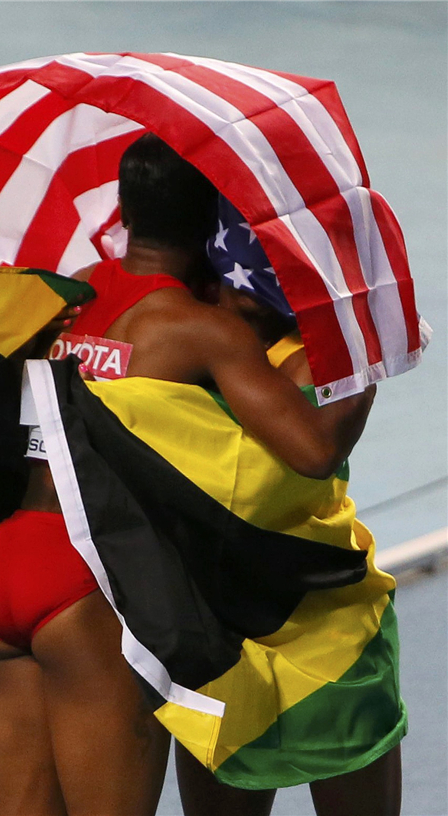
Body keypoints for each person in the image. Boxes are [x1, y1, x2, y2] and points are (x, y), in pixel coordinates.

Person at [0, 133, 387, 816]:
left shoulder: (60, 298)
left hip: (5, 569)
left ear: (124, 208)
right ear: (215, 225)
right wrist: (368, 354)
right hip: (88, 585)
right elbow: (312, 451)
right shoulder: (195, 328)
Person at [173, 193, 404, 816]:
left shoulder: (178, 344)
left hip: (324, 632)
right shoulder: (327, 349)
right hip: (225, 638)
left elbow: (316, 450)